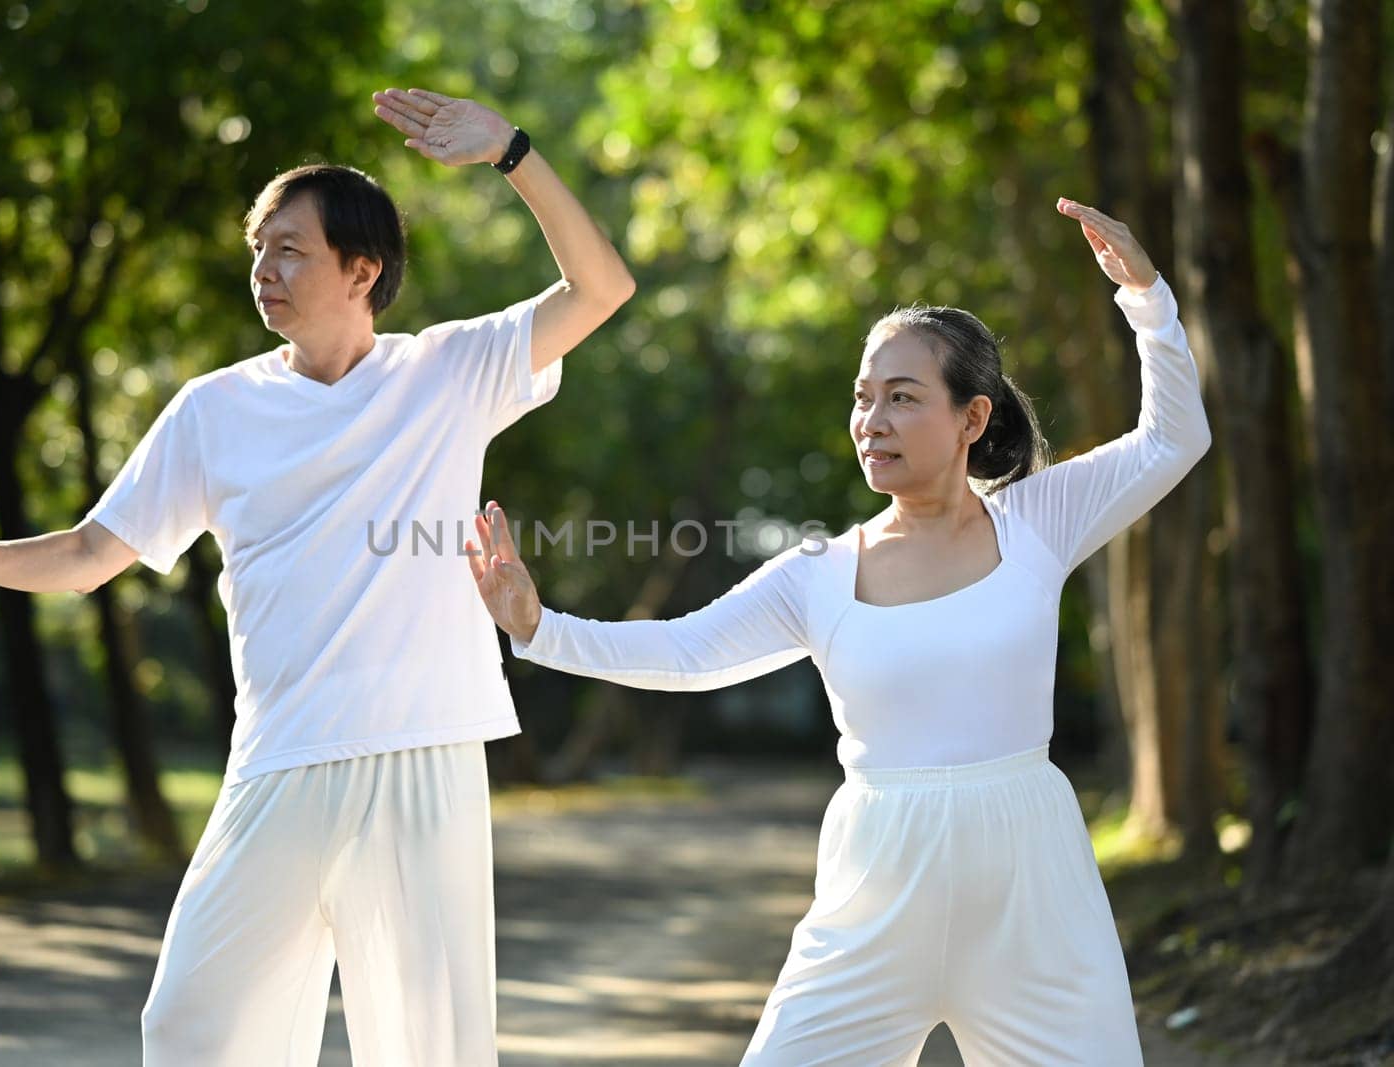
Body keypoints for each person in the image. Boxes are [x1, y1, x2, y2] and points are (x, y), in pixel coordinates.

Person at [0, 87, 634, 1066]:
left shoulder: (449, 371)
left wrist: (512, 152)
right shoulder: (212, 410)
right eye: (257, 251)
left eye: (290, 250)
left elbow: (600, 287)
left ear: (362, 270)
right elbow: (92, 554)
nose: (264, 270)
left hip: (420, 748)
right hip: (278, 756)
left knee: (426, 1047)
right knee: (195, 1027)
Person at [466, 197, 1209, 1066]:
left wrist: (1147, 299)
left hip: (1030, 890)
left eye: (903, 397)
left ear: (973, 418)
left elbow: (1172, 439)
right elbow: (685, 651)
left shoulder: (1040, 518)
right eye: (863, 399)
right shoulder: (818, 573)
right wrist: (540, 627)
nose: (873, 422)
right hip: (876, 885)